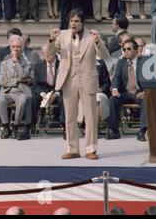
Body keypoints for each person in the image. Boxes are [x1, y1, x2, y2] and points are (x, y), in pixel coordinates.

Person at [46, 8, 110, 160]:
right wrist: (51, 40)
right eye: (71, 21)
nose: (73, 24)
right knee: (70, 116)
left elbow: (104, 56)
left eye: (76, 21)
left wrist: (98, 42)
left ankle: (91, 149)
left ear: (82, 23)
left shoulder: (92, 35)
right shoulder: (62, 35)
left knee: (90, 117)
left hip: (88, 78)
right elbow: (49, 55)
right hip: (69, 79)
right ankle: (72, 149)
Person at [108, 38, 148, 140]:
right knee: (113, 100)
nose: (126, 51)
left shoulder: (143, 61)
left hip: (139, 92)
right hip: (125, 93)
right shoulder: (121, 62)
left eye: (129, 49)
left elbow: (149, 78)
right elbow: (116, 77)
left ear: (136, 50)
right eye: (124, 49)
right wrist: (115, 89)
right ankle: (113, 131)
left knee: (146, 100)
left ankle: (142, 131)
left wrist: (146, 92)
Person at [0, 35, 33, 140]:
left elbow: (23, 76)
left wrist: (16, 62)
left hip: (21, 92)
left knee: (23, 100)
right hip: (8, 92)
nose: (16, 49)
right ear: (10, 48)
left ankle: (15, 126)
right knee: (0, 101)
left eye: (18, 47)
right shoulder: (4, 64)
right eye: (14, 47)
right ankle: (6, 126)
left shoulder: (28, 64)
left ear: (23, 47)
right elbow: (2, 82)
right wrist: (18, 81)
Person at [32, 45, 65, 139]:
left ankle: (64, 125)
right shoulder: (38, 65)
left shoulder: (61, 65)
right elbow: (36, 84)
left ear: (55, 53)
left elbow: (65, 83)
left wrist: (55, 94)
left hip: (57, 91)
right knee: (33, 98)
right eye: (44, 54)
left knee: (63, 99)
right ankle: (32, 125)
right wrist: (43, 94)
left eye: (49, 54)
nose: (46, 56)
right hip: (43, 92)